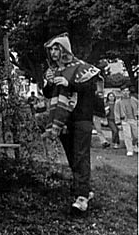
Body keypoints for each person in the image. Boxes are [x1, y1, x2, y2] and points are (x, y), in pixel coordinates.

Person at [42, 33, 102, 213]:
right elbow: (47, 94)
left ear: (65, 50)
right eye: (51, 49)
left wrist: (69, 83)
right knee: (72, 156)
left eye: (56, 48)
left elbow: (89, 88)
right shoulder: (53, 71)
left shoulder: (83, 68)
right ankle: (84, 189)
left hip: (82, 117)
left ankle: (82, 197)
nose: (53, 52)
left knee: (81, 155)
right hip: (62, 120)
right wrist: (50, 83)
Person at [114, 84, 138, 157]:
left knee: (136, 135)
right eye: (124, 91)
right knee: (127, 136)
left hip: (134, 119)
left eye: (127, 91)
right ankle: (129, 150)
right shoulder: (118, 102)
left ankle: (135, 145)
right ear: (121, 92)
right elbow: (116, 112)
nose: (126, 92)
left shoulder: (134, 99)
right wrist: (118, 123)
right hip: (124, 120)